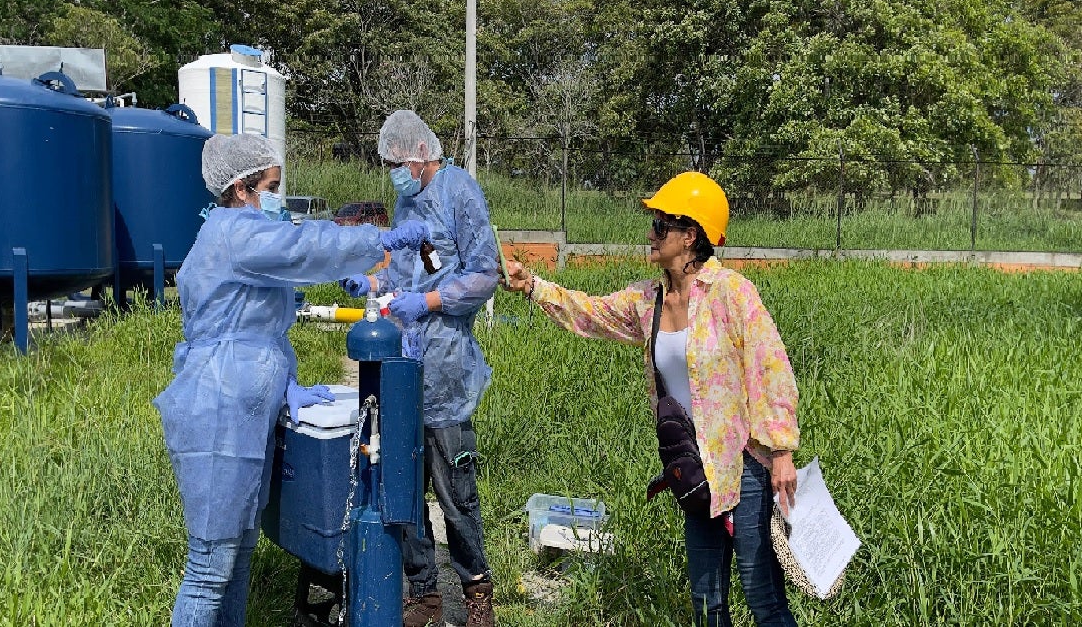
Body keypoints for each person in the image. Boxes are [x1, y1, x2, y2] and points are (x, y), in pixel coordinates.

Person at [500, 172, 800, 627]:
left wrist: (781, 452)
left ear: (690, 235)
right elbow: (591, 311)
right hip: (695, 470)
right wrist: (532, 286)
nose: (651, 234)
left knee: (763, 599)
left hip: (744, 467)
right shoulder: (649, 301)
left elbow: (772, 367)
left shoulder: (732, 294)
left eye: (661, 225)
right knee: (706, 601)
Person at [153, 133, 428, 627]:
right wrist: (377, 240)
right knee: (210, 565)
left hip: (240, 410)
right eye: (273, 186)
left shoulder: (243, 236)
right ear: (242, 189)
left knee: (236, 557)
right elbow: (307, 247)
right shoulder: (238, 235)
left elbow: (262, 326)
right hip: (218, 411)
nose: (279, 197)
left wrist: (286, 383)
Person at [339, 110, 500, 627]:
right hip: (403, 366)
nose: (392, 172)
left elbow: (483, 275)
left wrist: (430, 301)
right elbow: (406, 273)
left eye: (395, 162)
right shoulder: (408, 201)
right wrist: (374, 286)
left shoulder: (459, 192)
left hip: (446, 368)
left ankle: (476, 590)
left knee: (456, 494)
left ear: (418, 155)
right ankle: (424, 591)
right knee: (403, 485)